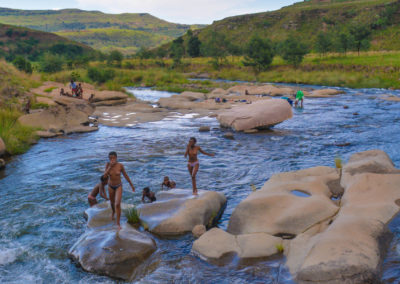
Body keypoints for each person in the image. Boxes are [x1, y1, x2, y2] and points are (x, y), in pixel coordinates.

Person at [103, 151, 135, 230]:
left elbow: (125, 175)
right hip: (110, 186)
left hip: (118, 186)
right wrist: (110, 167)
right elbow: (104, 176)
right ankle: (113, 212)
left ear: (116, 158)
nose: (112, 159)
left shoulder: (120, 165)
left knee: (117, 204)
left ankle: (118, 223)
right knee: (112, 203)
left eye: (113, 158)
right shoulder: (107, 165)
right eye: (110, 158)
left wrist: (131, 184)